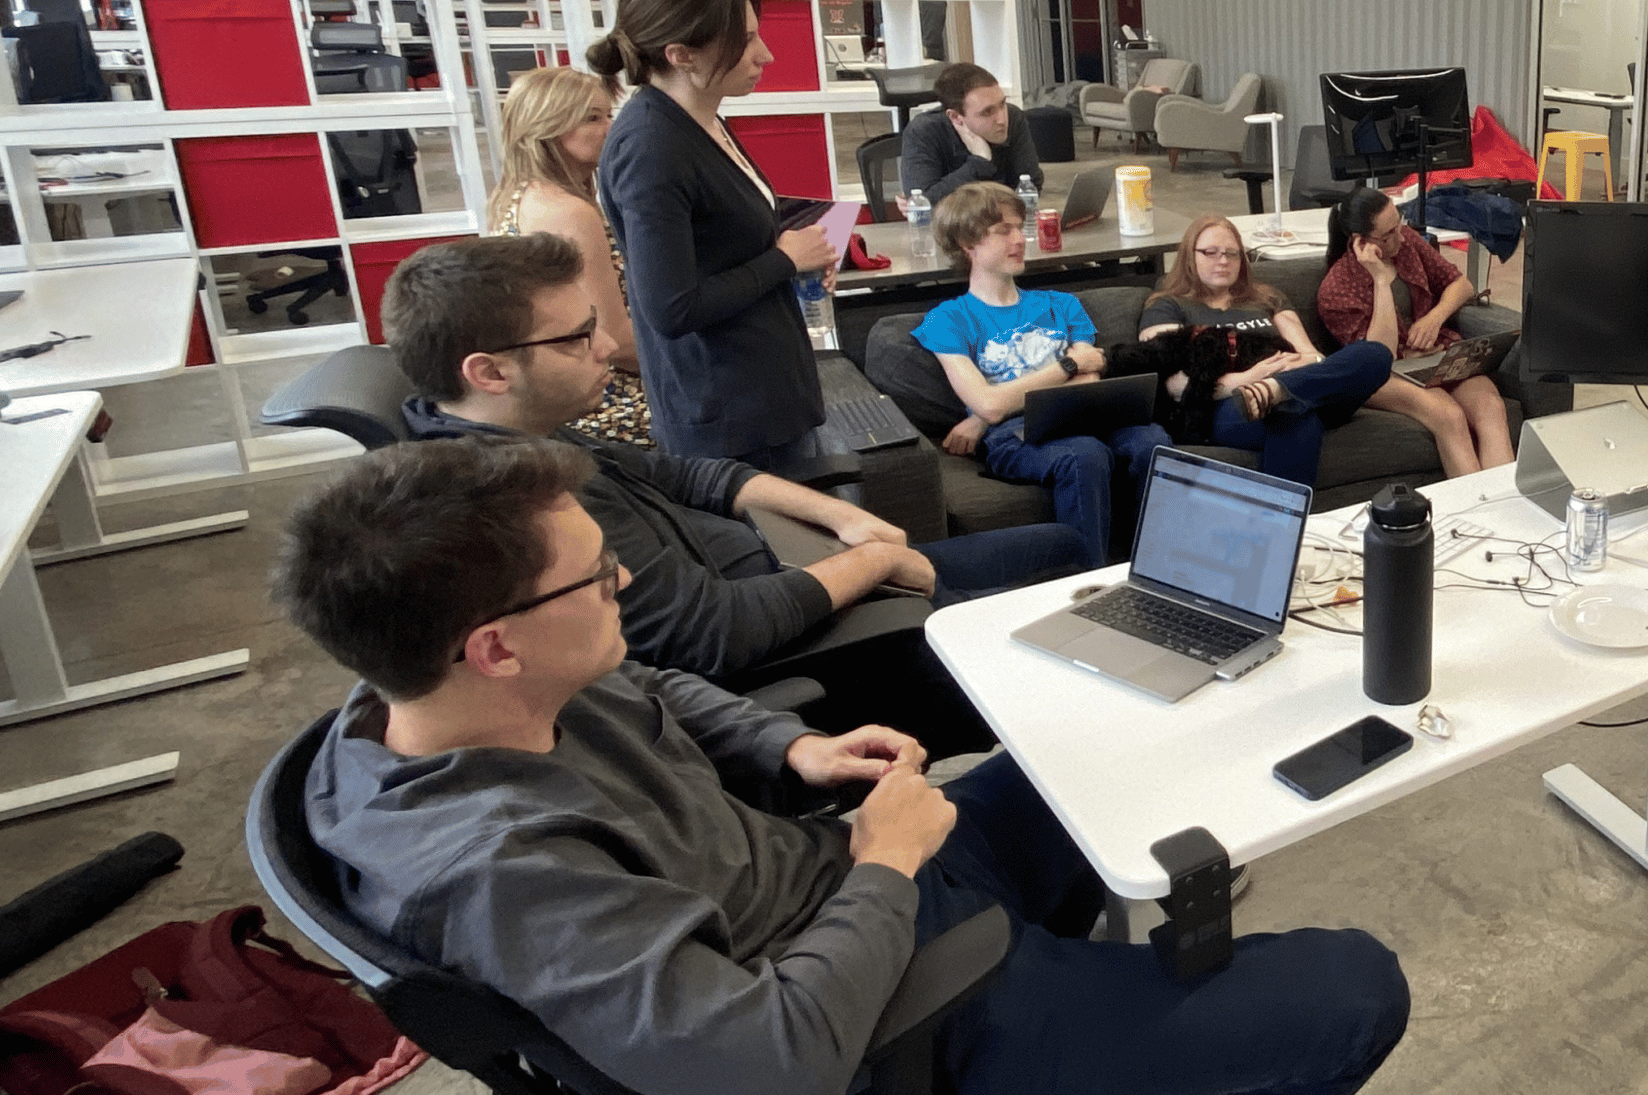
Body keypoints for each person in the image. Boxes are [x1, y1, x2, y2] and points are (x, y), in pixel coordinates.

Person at [279, 437, 1410, 1095]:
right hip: (877, 1010)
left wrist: (792, 745)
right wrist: (885, 864)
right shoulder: (498, 870)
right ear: (496, 642)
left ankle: (1087, 992)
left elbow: (658, 690)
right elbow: (772, 1066)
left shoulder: (434, 696)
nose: (623, 579)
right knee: (1355, 987)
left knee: (1098, 747)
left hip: (844, 874)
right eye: (593, 577)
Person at [383, 234, 1082, 746]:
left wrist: (842, 518)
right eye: (574, 339)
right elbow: (715, 633)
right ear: (489, 372)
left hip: (803, 575)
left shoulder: (524, 430)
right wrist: (874, 562)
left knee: (1063, 545)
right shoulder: (529, 502)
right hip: (815, 644)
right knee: (1076, 652)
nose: (604, 350)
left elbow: (693, 473)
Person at [592, 0, 836, 465]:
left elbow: (727, 222)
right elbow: (671, 308)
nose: (765, 55)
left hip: (763, 393)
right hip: (729, 416)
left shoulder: (699, 118)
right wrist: (785, 260)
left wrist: (803, 249)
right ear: (680, 54)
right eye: (745, 41)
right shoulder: (653, 146)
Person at [916, 182, 1166, 565]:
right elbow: (989, 403)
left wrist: (1002, 406)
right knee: (1084, 455)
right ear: (968, 244)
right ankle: (1088, 583)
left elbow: (1090, 376)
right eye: (1003, 231)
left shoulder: (1061, 304)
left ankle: (1161, 567)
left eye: (1020, 227)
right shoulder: (949, 319)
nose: (1020, 239)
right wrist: (1066, 366)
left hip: (1085, 415)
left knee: (1151, 440)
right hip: (1013, 437)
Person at [1138, 213, 1390, 491]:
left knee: (1376, 354)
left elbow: (1311, 356)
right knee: (1294, 413)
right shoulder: (1167, 305)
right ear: (1189, 255)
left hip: (1297, 387)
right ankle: (1285, 525)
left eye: (1232, 254)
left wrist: (1286, 378)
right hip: (1221, 407)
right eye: (1210, 252)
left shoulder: (1266, 298)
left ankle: (1277, 391)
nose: (1223, 261)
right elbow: (1174, 385)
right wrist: (1250, 379)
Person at [486, 65, 652, 447]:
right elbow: (618, 343)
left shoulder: (516, 194)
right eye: (593, 118)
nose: (611, 127)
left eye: (609, 114)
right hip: (609, 404)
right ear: (546, 128)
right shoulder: (568, 212)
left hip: (566, 389)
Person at [1316, 187, 1513, 478]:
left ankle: (1504, 505)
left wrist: (1435, 317)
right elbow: (1374, 358)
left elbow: (1462, 285)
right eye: (1389, 234)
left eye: (1400, 224)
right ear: (1360, 241)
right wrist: (1381, 281)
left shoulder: (1407, 242)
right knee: (1449, 416)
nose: (1401, 236)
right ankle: (1474, 510)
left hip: (1434, 357)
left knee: (1490, 405)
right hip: (1382, 376)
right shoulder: (1336, 290)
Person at [900, 62, 1042, 206]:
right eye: (987, 112)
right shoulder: (924, 131)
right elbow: (922, 203)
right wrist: (979, 163)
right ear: (955, 117)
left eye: (1002, 104)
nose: (1002, 119)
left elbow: (1030, 188)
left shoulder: (1014, 118)